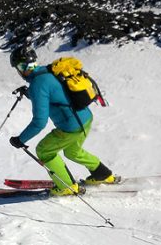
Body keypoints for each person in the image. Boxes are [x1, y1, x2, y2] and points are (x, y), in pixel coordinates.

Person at [7, 45, 117, 196]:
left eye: (18, 68)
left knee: (44, 151)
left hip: (70, 126)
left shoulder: (37, 85)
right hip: (85, 119)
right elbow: (55, 93)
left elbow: (39, 122)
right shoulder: (48, 71)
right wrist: (29, 93)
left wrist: (20, 139)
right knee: (73, 152)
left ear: (21, 67)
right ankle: (103, 174)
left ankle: (66, 187)